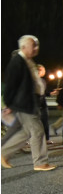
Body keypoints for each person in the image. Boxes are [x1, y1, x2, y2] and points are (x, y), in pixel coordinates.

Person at [1, 35, 56, 171]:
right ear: (24, 47)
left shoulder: (27, 61)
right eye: (34, 45)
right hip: (24, 103)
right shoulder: (17, 62)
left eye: (37, 45)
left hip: (31, 101)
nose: (36, 48)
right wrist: (8, 104)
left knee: (26, 132)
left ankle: (4, 153)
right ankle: (40, 162)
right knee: (37, 130)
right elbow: (10, 85)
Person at [37, 64, 53, 144]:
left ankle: (46, 138)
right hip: (35, 104)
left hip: (43, 103)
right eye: (43, 70)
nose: (44, 72)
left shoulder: (43, 81)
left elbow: (44, 93)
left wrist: (51, 93)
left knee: (45, 121)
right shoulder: (32, 81)